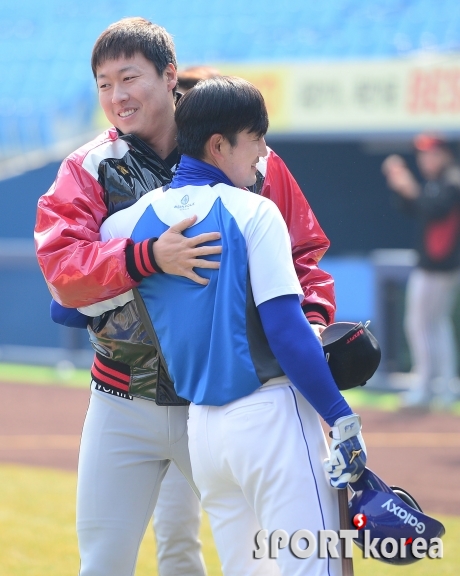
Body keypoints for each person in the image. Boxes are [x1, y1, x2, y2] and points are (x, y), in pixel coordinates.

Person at [35, 17, 337, 576]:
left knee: (257, 561)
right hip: (121, 400)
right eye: (103, 84)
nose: (117, 96)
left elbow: (304, 256)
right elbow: (62, 275)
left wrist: (312, 327)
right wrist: (147, 256)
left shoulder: (244, 151)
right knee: (104, 563)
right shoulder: (87, 167)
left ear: (170, 75)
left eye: (129, 78)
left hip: (224, 404)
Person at [95, 75, 366, 576]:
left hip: (206, 434)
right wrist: (340, 415)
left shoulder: (127, 223)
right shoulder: (255, 211)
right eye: (256, 138)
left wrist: (150, 262)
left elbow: (68, 305)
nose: (263, 152)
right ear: (219, 145)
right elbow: (286, 332)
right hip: (272, 419)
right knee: (319, 568)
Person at [382, 134, 460, 410]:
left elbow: (434, 209)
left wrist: (409, 188)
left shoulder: (452, 180)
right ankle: (443, 386)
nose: (425, 160)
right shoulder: (438, 182)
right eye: (422, 155)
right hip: (434, 268)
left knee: (421, 325)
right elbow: (415, 208)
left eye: (431, 154)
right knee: (436, 325)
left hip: (438, 269)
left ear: (444, 154)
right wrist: (402, 188)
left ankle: (428, 386)